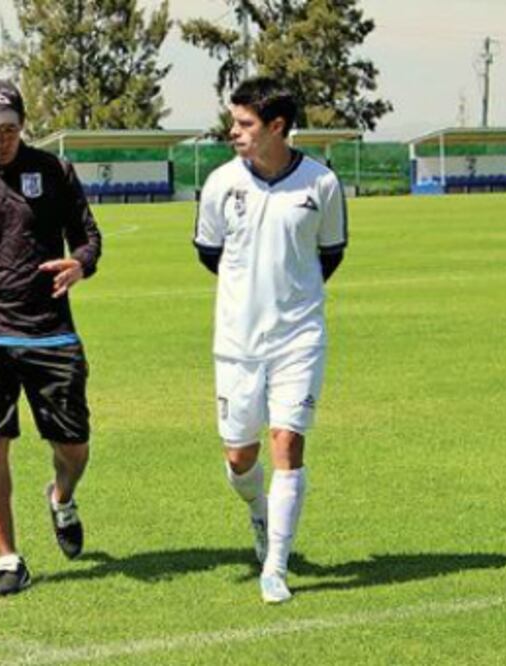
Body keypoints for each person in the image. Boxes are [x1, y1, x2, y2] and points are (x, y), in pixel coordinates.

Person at [0, 78, 102, 597]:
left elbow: (89, 238)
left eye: (10, 130)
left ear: (23, 127)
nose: (1, 140)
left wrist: (80, 264)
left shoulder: (54, 171)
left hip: (50, 336)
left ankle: (61, 497)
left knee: (73, 447)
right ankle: (8, 558)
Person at [193, 77, 347, 604]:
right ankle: (257, 510)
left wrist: (290, 295)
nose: (232, 131)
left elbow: (330, 253)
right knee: (240, 457)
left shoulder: (322, 183)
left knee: (288, 442)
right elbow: (209, 252)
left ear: (277, 127)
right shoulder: (219, 184)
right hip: (236, 340)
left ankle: (275, 567)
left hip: (299, 338)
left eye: (244, 124)